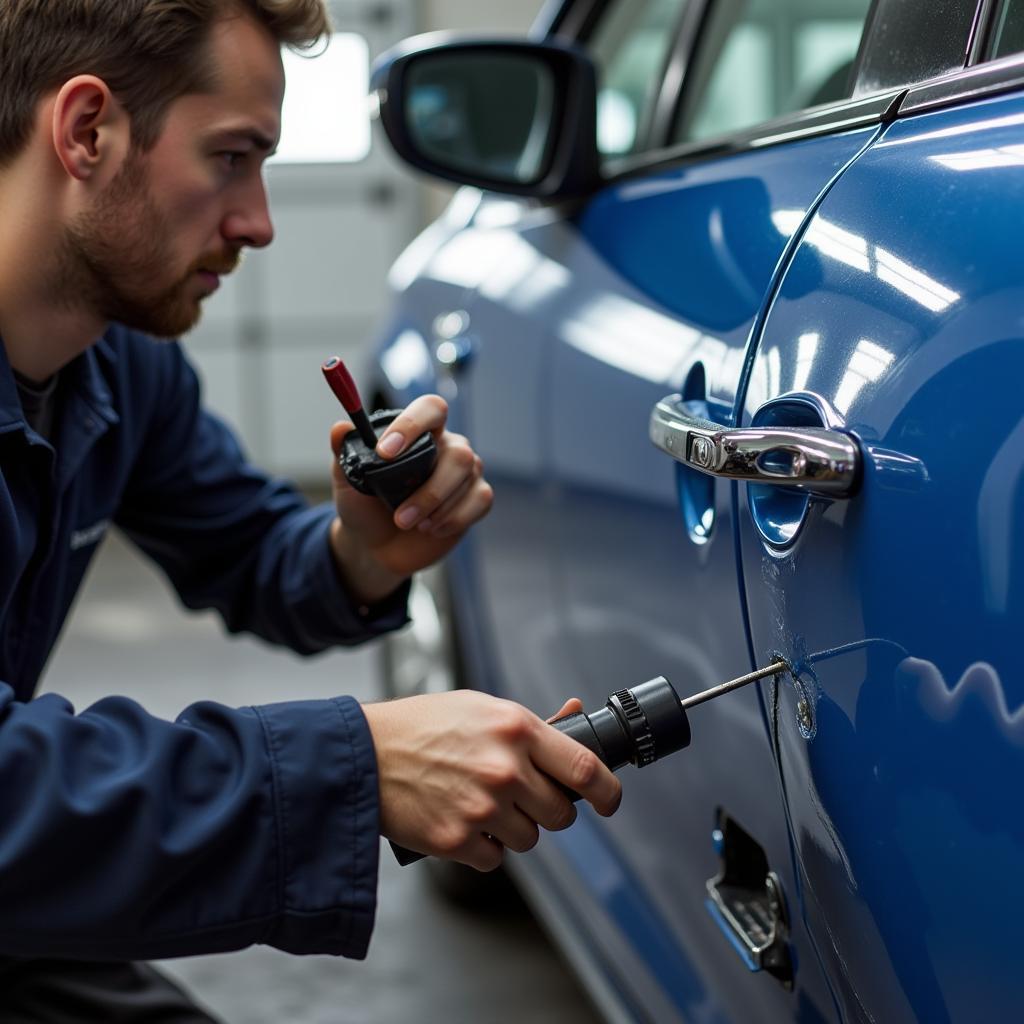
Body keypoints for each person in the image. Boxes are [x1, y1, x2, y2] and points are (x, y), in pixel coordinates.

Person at [0, 0, 622, 1017]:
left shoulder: (116, 365)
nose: (258, 223)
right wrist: (363, 766)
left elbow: (250, 549)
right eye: (231, 158)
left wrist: (361, 548)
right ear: (86, 131)